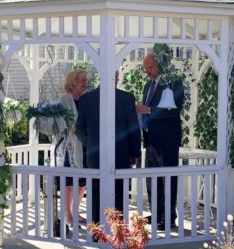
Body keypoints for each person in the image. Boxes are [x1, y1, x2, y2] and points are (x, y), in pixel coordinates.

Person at [76, 71, 141, 224]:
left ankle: (96, 234)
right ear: (115, 78)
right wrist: (134, 153)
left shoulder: (86, 99)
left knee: (95, 195)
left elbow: (79, 129)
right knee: (119, 195)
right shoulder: (127, 98)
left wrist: (90, 142)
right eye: (117, 78)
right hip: (121, 155)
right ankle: (117, 234)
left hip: (95, 157)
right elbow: (134, 129)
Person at [136, 50, 184, 230]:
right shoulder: (147, 86)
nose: (147, 71)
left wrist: (147, 110)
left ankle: (169, 217)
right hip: (151, 139)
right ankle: (156, 214)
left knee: (167, 178)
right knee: (152, 179)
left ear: (159, 65)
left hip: (167, 140)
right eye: (145, 68)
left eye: (149, 67)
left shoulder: (173, 82)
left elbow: (173, 109)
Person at [52, 69, 88, 226]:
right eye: (82, 80)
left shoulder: (86, 99)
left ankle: (75, 211)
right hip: (69, 147)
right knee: (68, 182)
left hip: (85, 144)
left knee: (82, 182)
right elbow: (62, 122)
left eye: (86, 80)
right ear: (73, 82)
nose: (85, 83)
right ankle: (66, 214)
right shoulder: (65, 98)